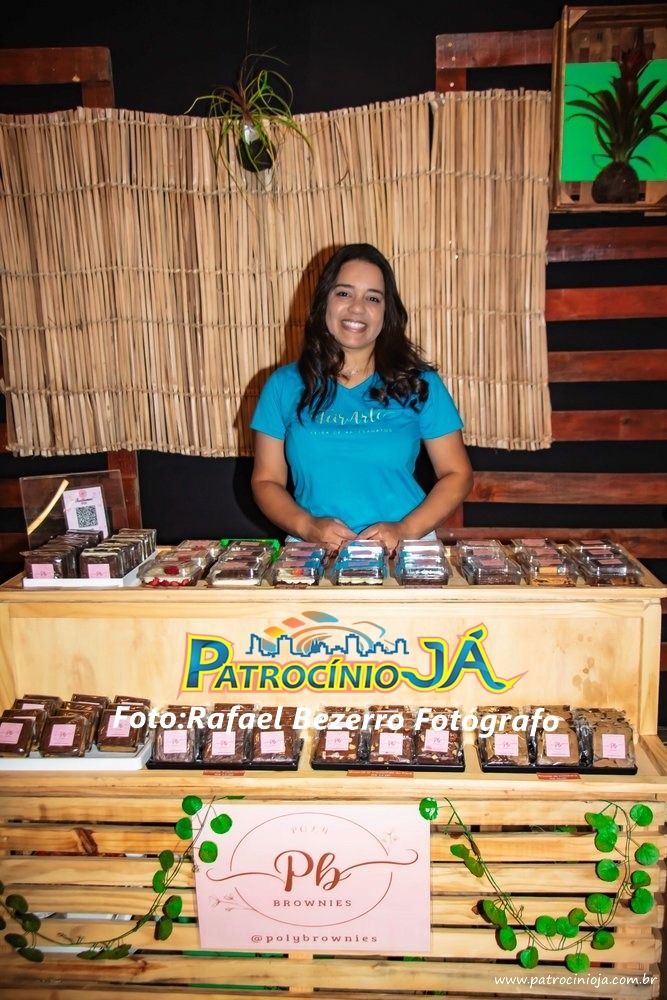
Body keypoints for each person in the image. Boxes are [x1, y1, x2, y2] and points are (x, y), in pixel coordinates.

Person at [250, 243, 473, 553]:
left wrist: (405, 530)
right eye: (344, 293)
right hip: (312, 553)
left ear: (386, 312)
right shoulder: (283, 385)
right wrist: (307, 526)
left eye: (372, 298)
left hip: (404, 552)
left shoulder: (419, 384)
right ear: (324, 302)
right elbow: (266, 481)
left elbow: (457, 474)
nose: (357, 308)